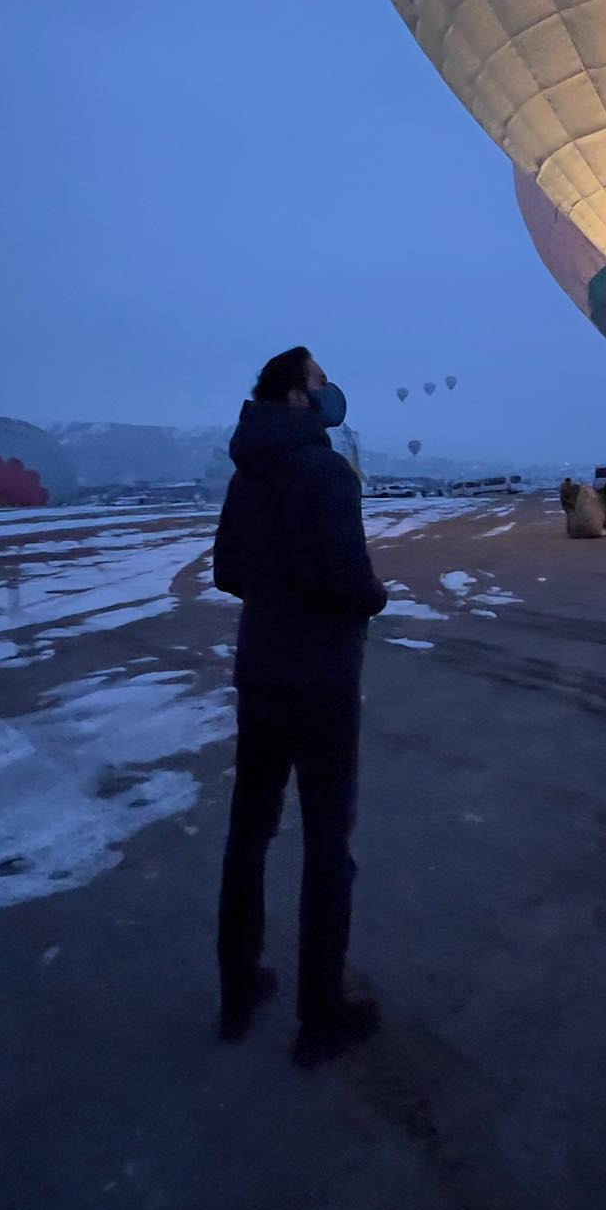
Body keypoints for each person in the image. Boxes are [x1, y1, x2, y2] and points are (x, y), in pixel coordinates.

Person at [213, 346, 388, 1066]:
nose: (329, 391)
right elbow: (346, 579)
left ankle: (238, 991)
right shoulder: (325, 470)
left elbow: (228, 570)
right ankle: (321, 1014)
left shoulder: (249, 471)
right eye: (319, 382)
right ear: (294, 398)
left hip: (261, 673)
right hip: (320, 682)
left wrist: (278, 595)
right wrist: (371, 597)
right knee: (326, 846)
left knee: (249, 837)